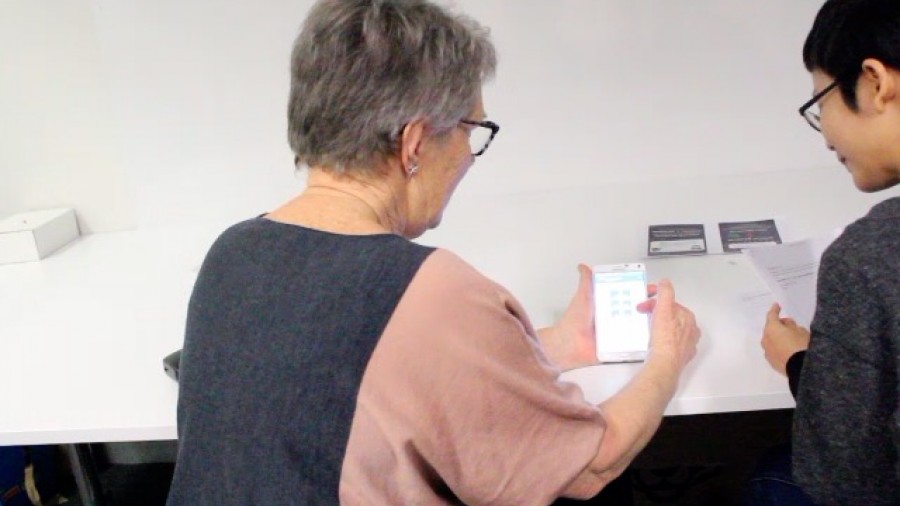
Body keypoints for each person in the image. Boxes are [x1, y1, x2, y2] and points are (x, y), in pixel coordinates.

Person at [165, 0, 700, 504]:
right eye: (472, 129)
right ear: (415, 144)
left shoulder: (233, 252)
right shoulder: (430, 289)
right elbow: (591, 466)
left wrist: (559, 344)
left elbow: (358, 369)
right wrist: (667, 357)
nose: (470, 154)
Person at [747, 0, 900, 504]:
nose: (825, 133)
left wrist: (801, 363)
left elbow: (842, 474)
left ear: (875, 82)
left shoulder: (868, 256)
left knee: (771, 478)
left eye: (822, 101)